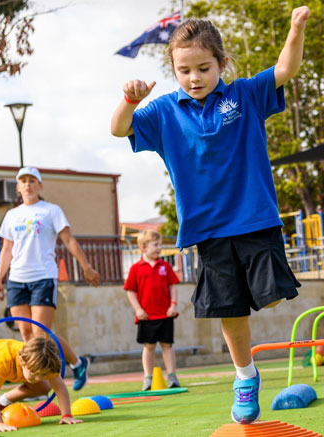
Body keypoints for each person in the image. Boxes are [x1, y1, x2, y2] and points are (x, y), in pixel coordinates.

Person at [111, 9, 308, 423]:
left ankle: (249, 358)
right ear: (173, 71)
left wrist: (295, 28)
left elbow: (287, 67)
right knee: (229, 312)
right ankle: (245, 376)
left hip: (256, 221)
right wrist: (129, 101)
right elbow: (118, 129)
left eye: (204, 68)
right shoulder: (165, 111)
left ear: (222, 64)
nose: (194, 77)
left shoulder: (245, 96)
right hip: (209, 232)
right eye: (184, 71)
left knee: (270, 296)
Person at [0, 167, 100, 392]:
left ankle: (78, 363)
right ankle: (35, 379)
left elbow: (69, 240)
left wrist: (86, 267)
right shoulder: (12, 215)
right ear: (18, 186)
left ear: (39, 185)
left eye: (32, 180)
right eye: (23, 181)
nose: (28, 184)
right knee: (25, 333)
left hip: (43, 276)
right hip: (16, 279)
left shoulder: (51, 211)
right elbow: (6, 250)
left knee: (40, 333)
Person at [124, 230, 181, 390]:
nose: (159, 248)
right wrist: (138, 309)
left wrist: (173, 304)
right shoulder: (136, 268)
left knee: (167, 345)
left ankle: (172, 377)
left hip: (165, 314)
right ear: (143, 247)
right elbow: (130, 291)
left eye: (160, 244)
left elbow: (173, 286)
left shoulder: (166, 266)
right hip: (147, 317)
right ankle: (147, 379)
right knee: (149, 346)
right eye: (155, 245)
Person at [0, 336, 82, 431]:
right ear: (21, 361)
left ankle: (2, 401)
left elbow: (60, 387)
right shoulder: (2, 363)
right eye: (35, 374)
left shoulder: (46, 361)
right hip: (0, 359)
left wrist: (66, 415)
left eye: (43, 375)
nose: (39, 378)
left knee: (43, 386)